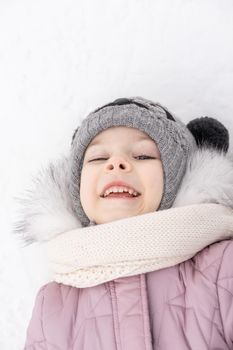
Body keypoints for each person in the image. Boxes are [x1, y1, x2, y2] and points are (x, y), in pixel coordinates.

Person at [14, 96, 233, 349]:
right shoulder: (52, 305)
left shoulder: (223, 269)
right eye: (97, 158)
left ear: (177, 178)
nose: (115, 163)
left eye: (142, 155)